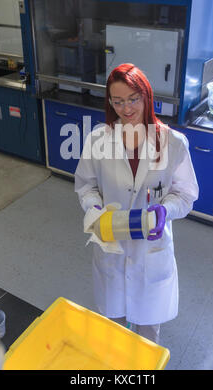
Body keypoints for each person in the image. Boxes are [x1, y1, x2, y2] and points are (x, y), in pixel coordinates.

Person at [74, 63, 199, 344]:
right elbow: (85, 185)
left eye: (133, 99)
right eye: (117, 101)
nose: (126, 109)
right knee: (113, 328)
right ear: (109, 102)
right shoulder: (98, 140)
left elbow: (186, 194)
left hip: (151, 250)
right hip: (112, 246)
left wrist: (165, 211)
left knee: (148, 334)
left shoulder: (173, 143)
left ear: (146, 97)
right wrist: (96, 210)